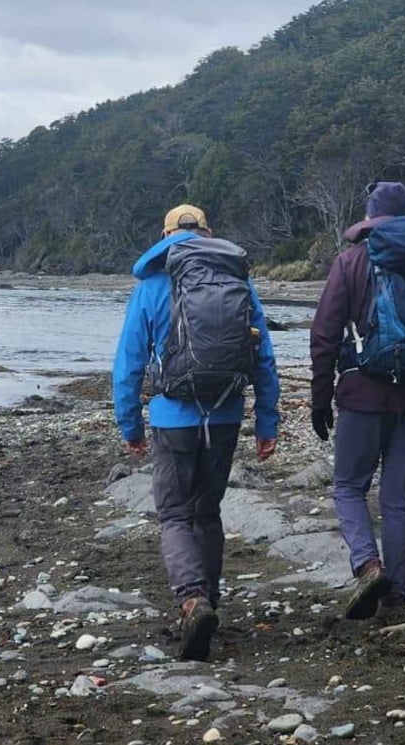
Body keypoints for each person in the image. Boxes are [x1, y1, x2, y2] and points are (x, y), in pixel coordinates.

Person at [113, 204, 281, 662]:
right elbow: (262, 354)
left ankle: (192, 600)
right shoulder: (237, 282)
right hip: (225, 414)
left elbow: (128, 363)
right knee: (207, 512)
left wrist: (130, 425)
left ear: (164, 233)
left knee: (173, 513)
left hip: (172, 419)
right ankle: (211, 600)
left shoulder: (150, 285)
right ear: (209, 233)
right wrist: (268, 422)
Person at [309, 181, 405, 620]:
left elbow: (324, 334)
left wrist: (320, 399)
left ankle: (368, 565)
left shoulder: (352, 260)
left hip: (363, 393)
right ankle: (397, 593)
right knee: (396, 495)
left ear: (370, 216)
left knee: (348, 486)